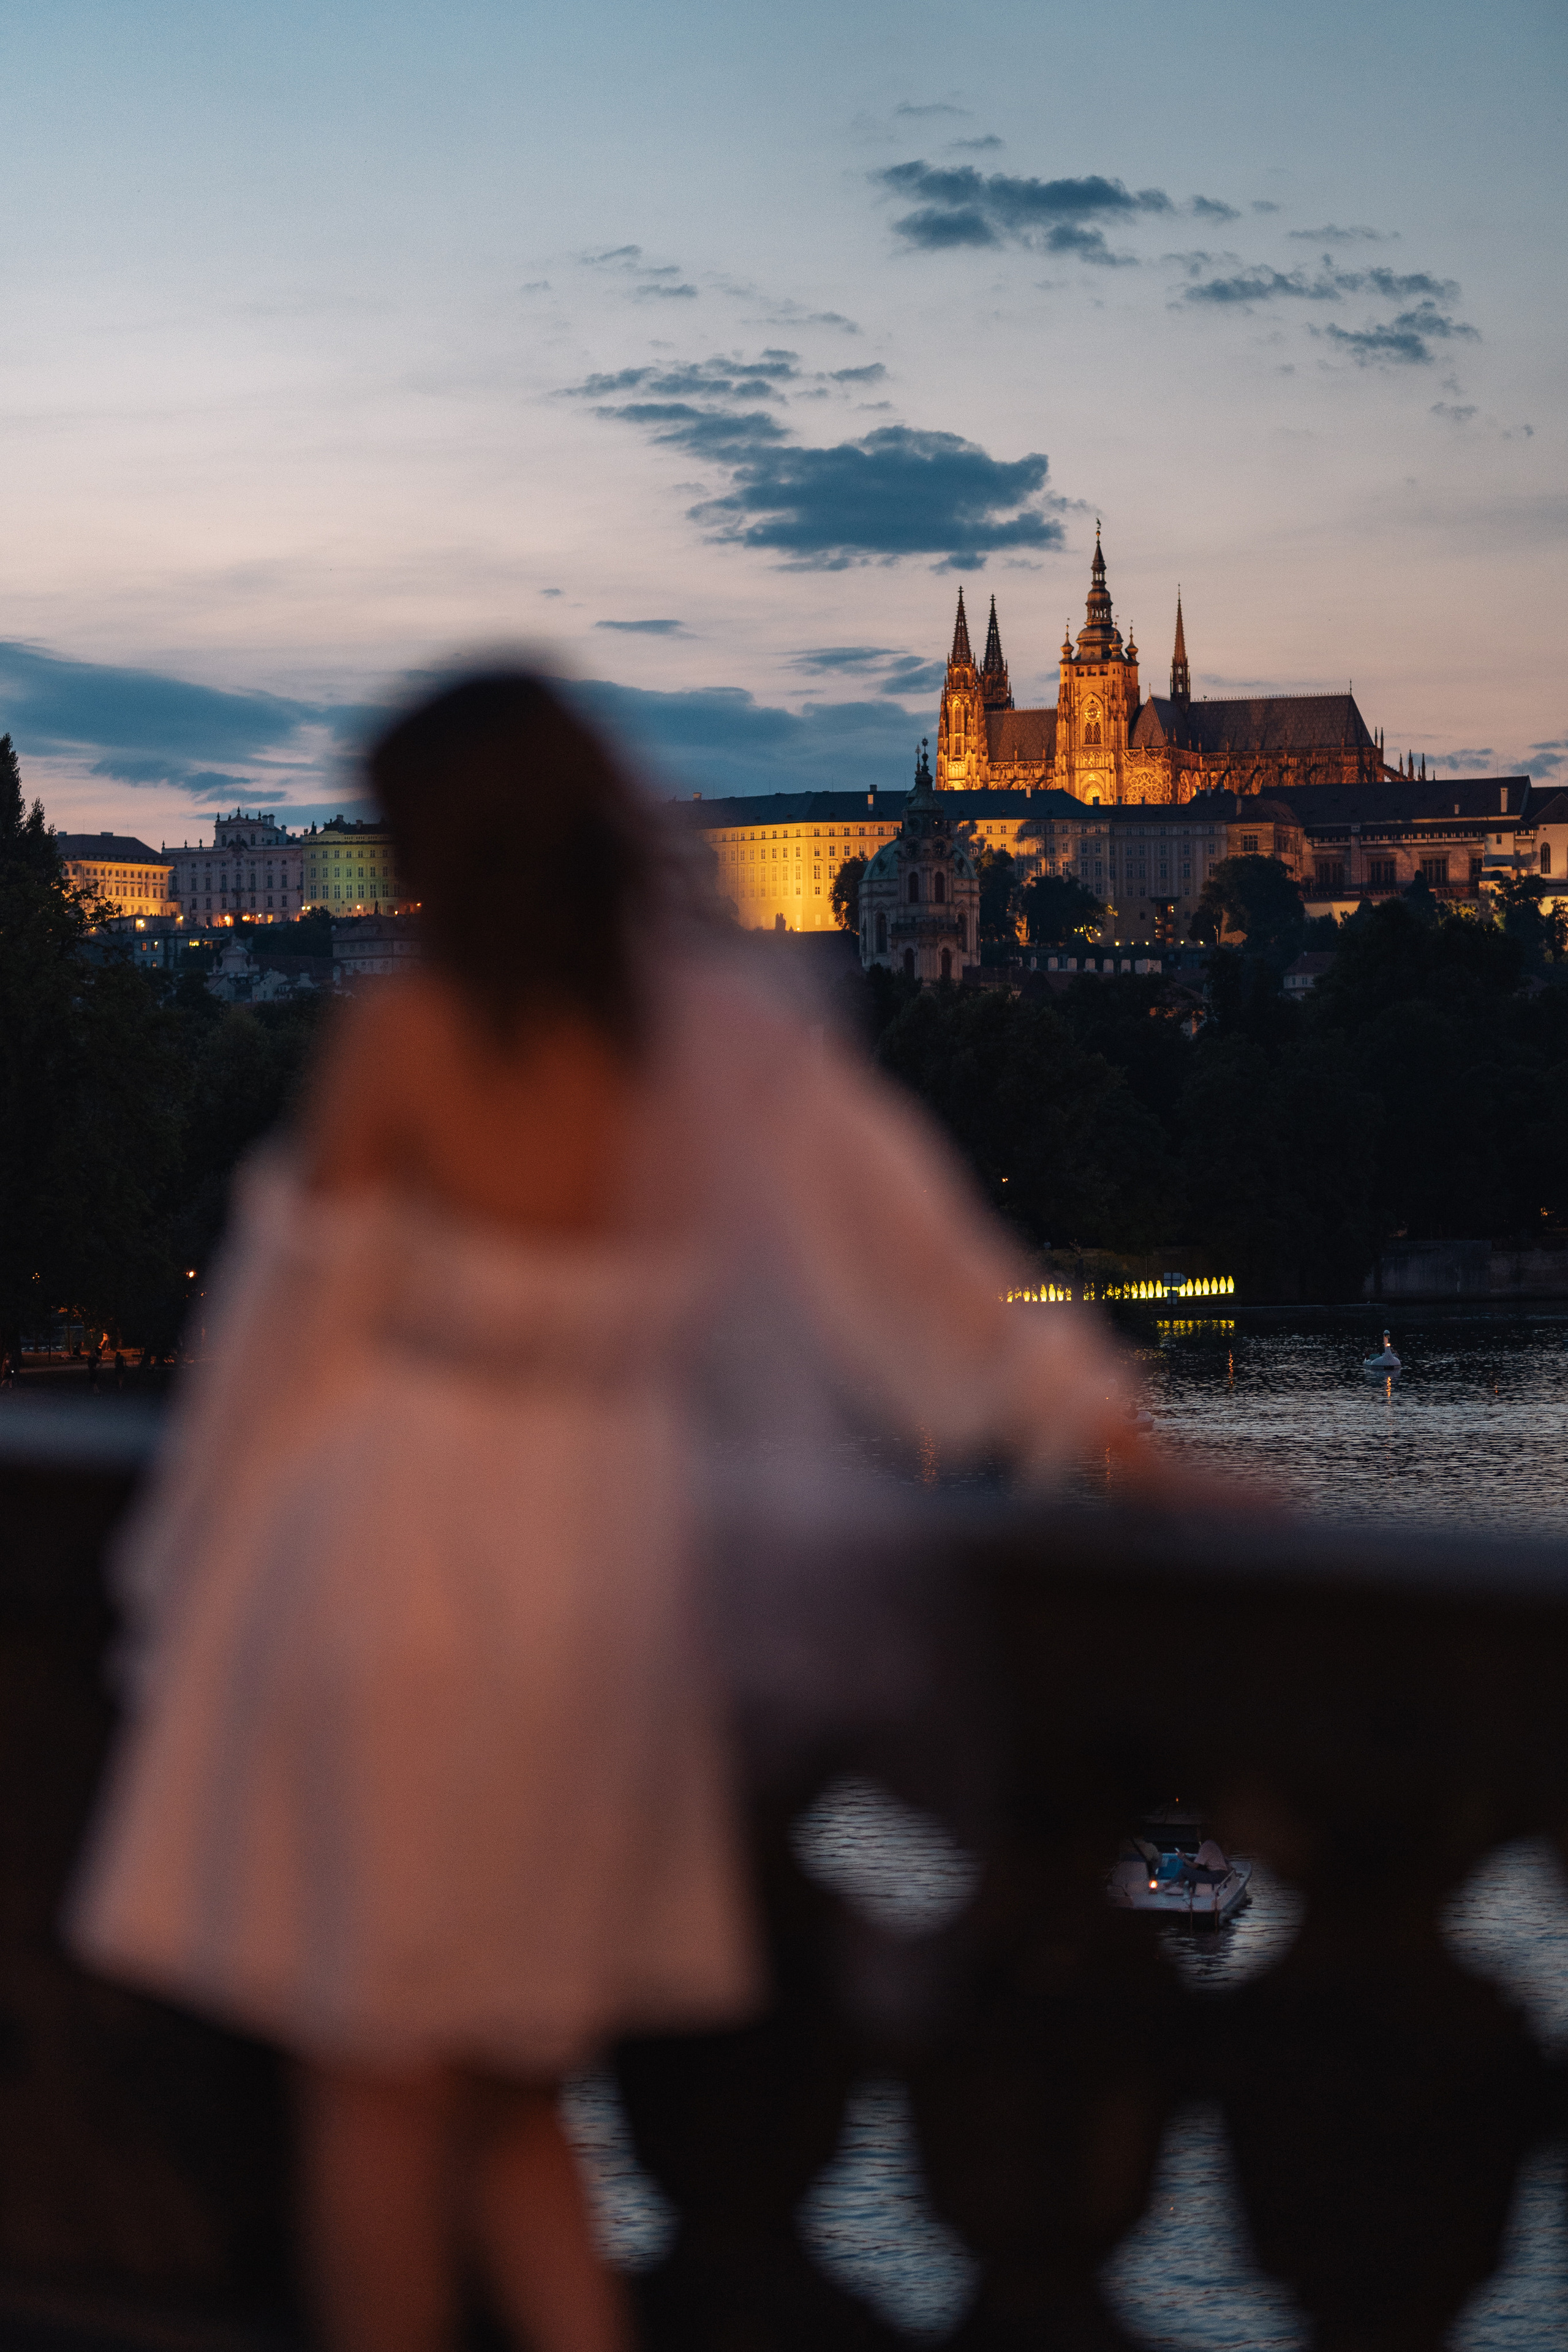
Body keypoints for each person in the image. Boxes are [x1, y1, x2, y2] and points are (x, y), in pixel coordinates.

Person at [67, 673, 1139, 2352]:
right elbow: (915, 1265)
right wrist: (1111, 1429)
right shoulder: (711, 1043)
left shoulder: (408, 1034)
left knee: (377, 2086)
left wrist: (171, 1589)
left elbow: (280, 1357)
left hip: (393, 1581)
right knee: (508, 2093)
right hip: (598, 1597)